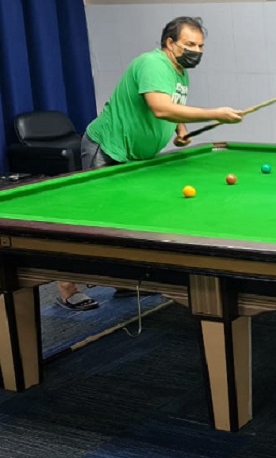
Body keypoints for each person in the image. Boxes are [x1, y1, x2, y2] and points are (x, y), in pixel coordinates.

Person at [56, 17, 244, 311]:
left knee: (129, 218)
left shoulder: (180, 71)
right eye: (190, 44)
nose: (197, 51)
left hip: (136, 155)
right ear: (170, 43)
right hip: (108, 148)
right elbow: (160, 108)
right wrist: (215, 114)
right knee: (93, 221)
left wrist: (181, 130)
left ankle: (123, 281)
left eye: (200, 46)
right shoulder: (153, 64)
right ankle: (67, 289)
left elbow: (174, 107)